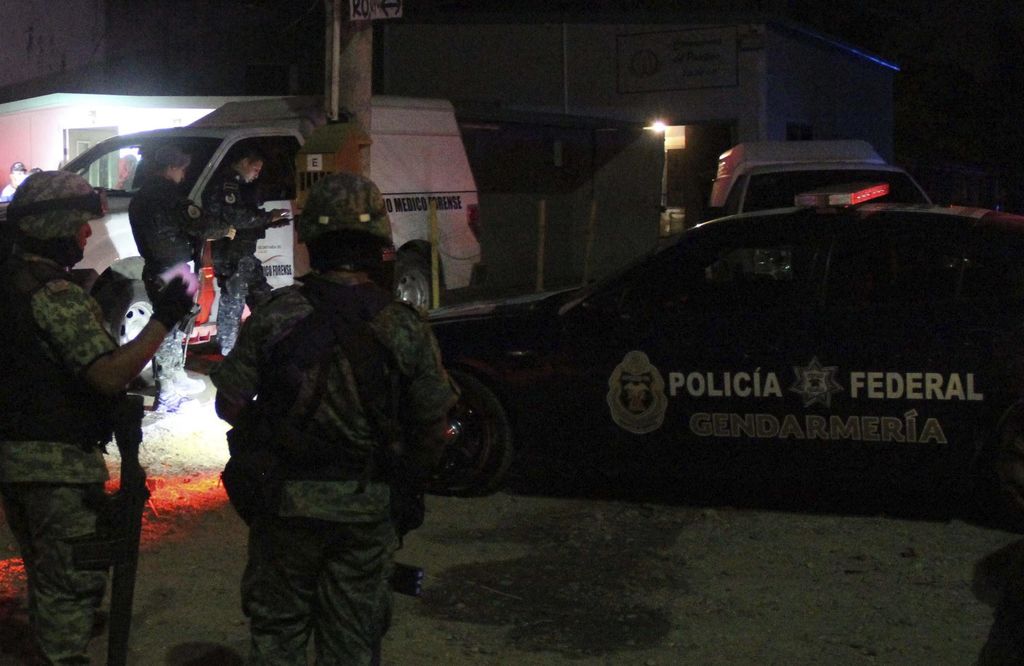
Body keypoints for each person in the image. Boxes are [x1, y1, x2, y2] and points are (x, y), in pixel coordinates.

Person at [210, 172, 458, 664]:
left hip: (286, 507)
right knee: (352, 641)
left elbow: (229, 404)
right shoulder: (403, 325)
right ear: (377, 243)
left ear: (312, 240)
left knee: (278, 635)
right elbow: (436, 423)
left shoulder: (277, 315)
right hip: (367, 510)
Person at [0, 170, 196, 663]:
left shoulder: (11, 283)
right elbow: (109, 375)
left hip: (15, 459)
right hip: (55, 465)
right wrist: (164, 321)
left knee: (47, 572)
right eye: (82, 223)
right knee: (71, 584)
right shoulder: (54, 292)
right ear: (58, 224)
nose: (87, 233)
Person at [128, 144, 234, 411]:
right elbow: (199, 224)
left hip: (155, 267)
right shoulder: (168, 195)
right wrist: (226, 229)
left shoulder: (140, 197)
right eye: (183, 169)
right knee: (169, 329)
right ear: (172, 167)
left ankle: (174, 379)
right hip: (173, 269)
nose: (184, 175)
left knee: (171, 327)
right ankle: (168, 393)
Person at [202, 145, 290, 356]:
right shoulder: (228, 184)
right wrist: (268, 217)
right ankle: (227, 351)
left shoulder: (239, 186)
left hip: (241, 253)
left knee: (261, 296)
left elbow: (245, 216)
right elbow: (237, 217)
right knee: (234, 301)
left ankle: (272, 341)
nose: (257, 175)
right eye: (255, 169)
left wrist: (269, 221)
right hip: (231, 253)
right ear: (243, 163)